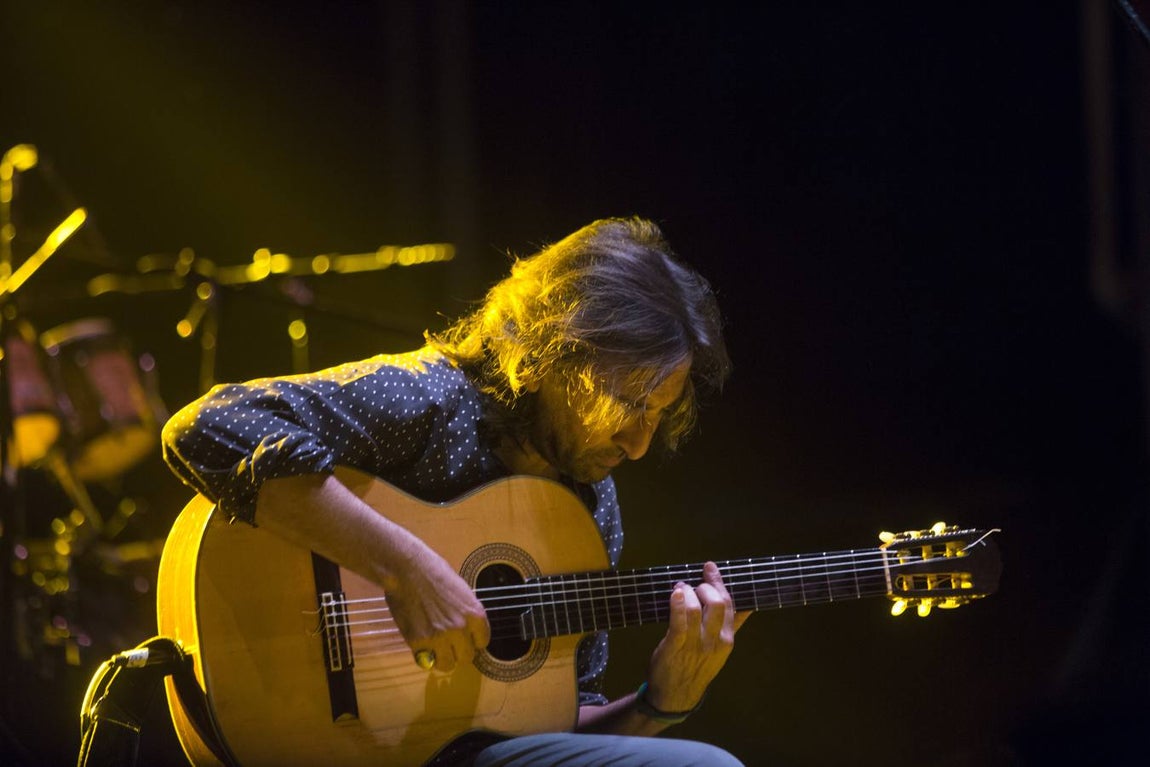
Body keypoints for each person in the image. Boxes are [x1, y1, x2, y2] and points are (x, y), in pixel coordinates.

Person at [162, 216, 747, 766]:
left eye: (656, 414)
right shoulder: (429, 401)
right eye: (627, 404)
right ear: (560, 353)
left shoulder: (591, 503)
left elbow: (557, 732)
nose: (640, 444)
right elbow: (205, 427)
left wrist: (661, 701)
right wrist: (403, 567)